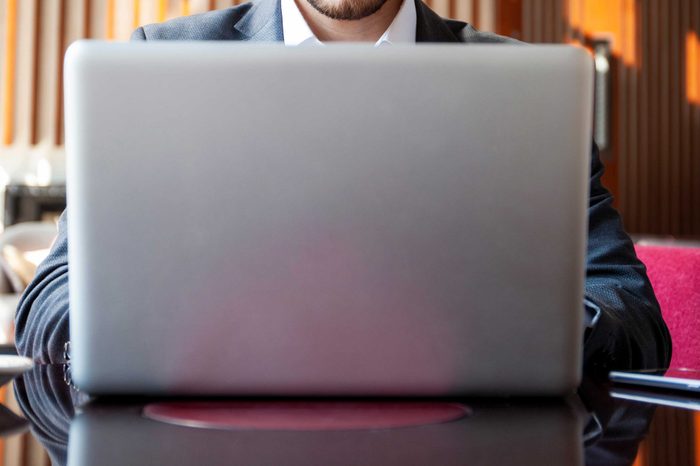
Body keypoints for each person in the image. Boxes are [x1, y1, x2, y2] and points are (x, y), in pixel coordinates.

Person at [15, 0, 671, 372]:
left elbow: (633, 313)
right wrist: (146, 338)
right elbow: (48, 300)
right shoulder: (159, 62)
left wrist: (524, 334)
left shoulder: (528, 93)